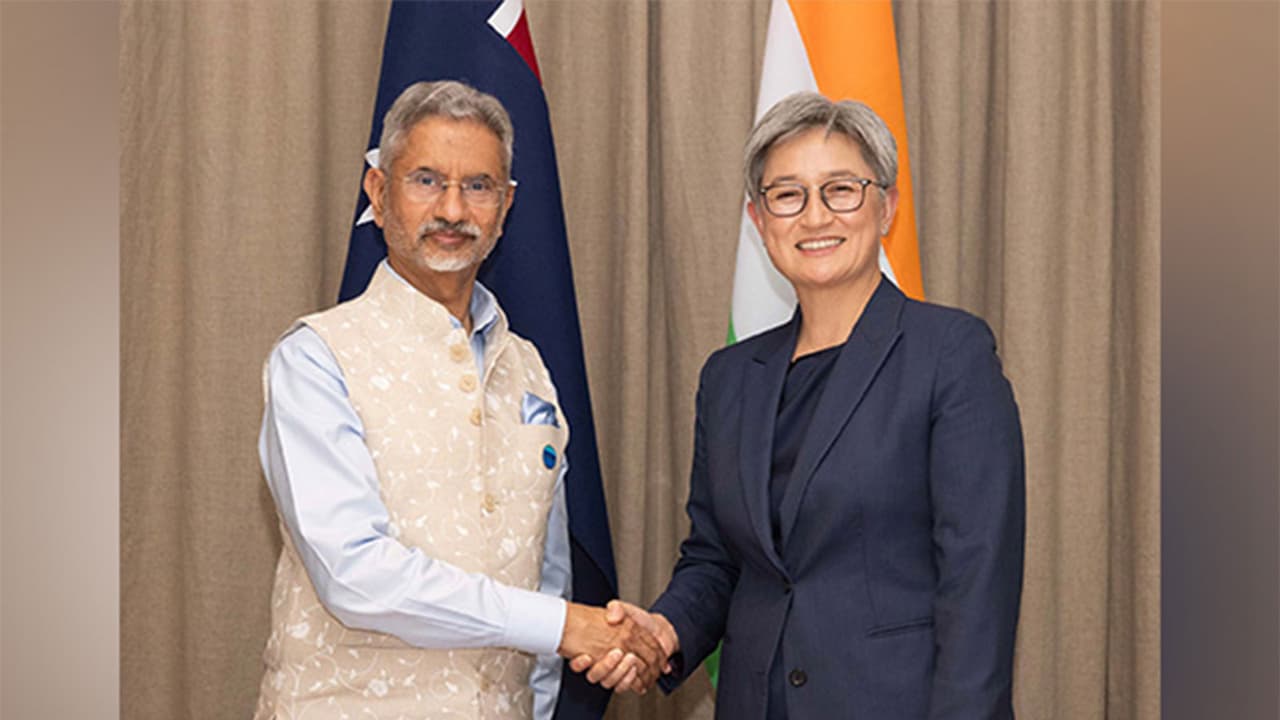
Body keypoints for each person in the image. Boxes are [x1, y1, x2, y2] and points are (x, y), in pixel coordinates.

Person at [575, 91, 1026, 719]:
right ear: (760, 222)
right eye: (787, 195)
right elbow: (716, 558)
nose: (814, 217)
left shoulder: (949, 353)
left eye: (840, 189)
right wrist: (663, 631)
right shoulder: (729, 377)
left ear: (887, 206)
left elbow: (978, 583)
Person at [254, 79, 662, 720]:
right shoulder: (316, 359)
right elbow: (353, 573)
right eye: (424, 180)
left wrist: (557, 656)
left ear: (505, 207)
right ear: (379, 194)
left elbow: (545, 575)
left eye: (478, 186)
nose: (452, 209)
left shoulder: (529, 370)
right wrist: (564, 625)